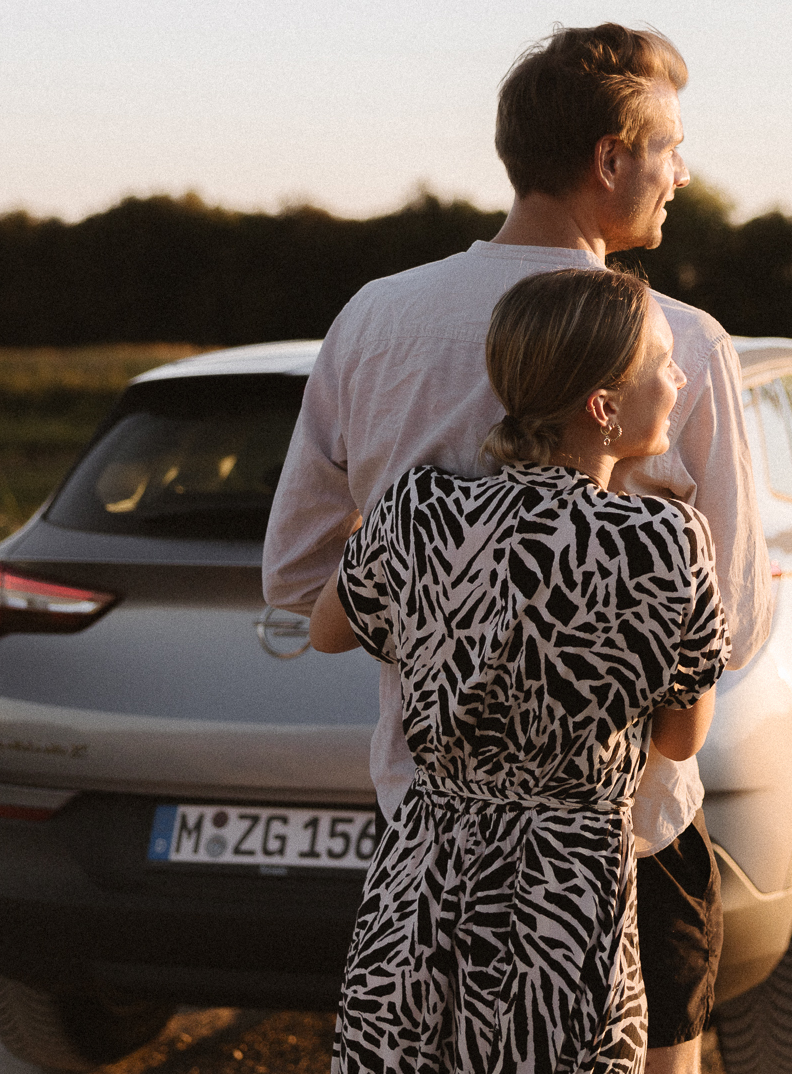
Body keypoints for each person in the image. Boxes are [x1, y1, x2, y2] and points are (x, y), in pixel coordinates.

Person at [264, 24, 773, 1072]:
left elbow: (297, 586)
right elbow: (732, 632)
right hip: (614, 847)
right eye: (668, 146)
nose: (682, 172)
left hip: (426, 829)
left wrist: (460, 627)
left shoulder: (371, 322)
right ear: (609, 158)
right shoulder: (677, 341)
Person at [309, 267, 726, 1074]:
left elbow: (329, 628)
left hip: (423, 878)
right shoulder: (667, 544)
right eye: (664, 364)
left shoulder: (417, 510)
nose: (678, 382)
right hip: (564, 902)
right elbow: (679, 737)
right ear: (601, 407)